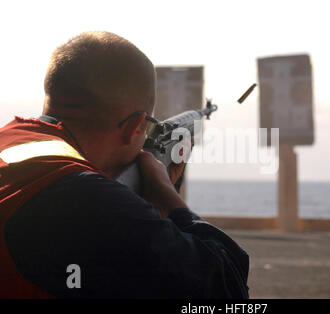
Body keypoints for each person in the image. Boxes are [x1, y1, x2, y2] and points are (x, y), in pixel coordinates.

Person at [0, 31, 249, 298]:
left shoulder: (11, 141)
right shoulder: (85, 197)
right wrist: (168, 194)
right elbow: (225, 287)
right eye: (148, 129)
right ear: (134, 127)